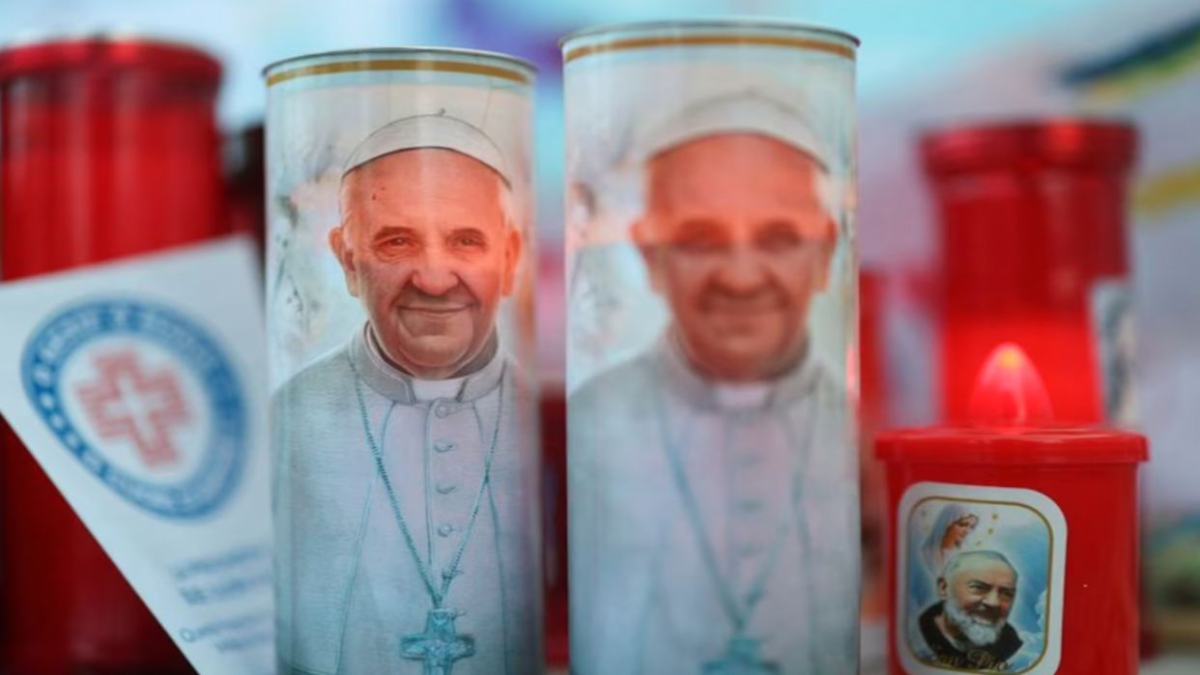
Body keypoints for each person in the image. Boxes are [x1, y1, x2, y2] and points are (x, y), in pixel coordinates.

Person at [569, 91, 857, 674]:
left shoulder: (852, 427)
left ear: (825, 253)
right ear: (651, 257)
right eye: (700, 240)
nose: (741, 278)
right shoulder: (593, 417)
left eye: (778, 238)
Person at [273, 113, 539, 675]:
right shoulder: (289, 418)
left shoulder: (550, 418)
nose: (434, 280)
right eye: (397, 242)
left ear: (510, 258)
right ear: (348, 260)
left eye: (466, 241)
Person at [916, 550, 1024, 671]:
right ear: (944, 588)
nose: (993, 602)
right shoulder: (912, 640)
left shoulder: (1017, 651)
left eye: (1006, 593)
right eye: (978, 587)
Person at [921, 504, 979, 578]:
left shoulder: (965, 554)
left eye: (971, 527)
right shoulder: (926, 553)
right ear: (947, 523)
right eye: (962, 524)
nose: (967, 531)